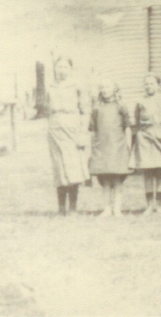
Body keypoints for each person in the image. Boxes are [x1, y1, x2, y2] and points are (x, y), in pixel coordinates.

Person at [46, 56, 90, 215]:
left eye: (65, 67)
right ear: (55, 69)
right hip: (55, 128)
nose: (62, 70)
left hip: (73, 128)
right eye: (59, 67)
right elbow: (46, 108)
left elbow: (85, 111)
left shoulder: (77, 86)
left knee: (73, 168)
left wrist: (83, 132)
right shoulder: (50, 87)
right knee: (59, 168)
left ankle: (72, 208)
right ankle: (61, 208)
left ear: (70, 69)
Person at [131, 73, 161, 214]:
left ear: (158, 85)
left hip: (160, 136)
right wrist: (141, 132)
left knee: (160, 171)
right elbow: (137, 119)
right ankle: (150, 204)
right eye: (146, 84)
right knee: (148, 171)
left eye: (152, 83)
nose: (149, 86)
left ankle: (159, 204)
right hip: (145, 137)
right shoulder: (140, 101)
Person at [89, 79, 131, 217]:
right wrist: (93, 145)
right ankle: (107, 208)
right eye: (102, 87)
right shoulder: (96, 107)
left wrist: (128, 144)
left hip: (118, 146)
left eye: (107, 86)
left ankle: (117, 209)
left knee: (117, 178)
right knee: (105, 178)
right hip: (102, 146)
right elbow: (93, 128)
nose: (104, 89)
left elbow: (127, 127)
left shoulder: (121, 106)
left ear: (114, 88)